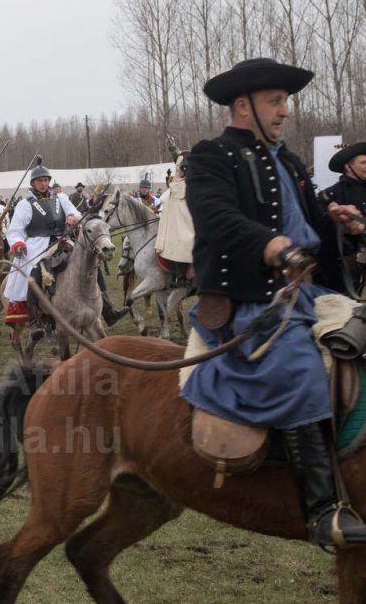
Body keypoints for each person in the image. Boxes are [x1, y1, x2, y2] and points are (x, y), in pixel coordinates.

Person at [183, 57, 366, 547]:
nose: (285, 110)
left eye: (284, 101)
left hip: (308, 293)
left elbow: (308, 224)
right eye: (275, 101)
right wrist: (271, 246)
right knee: (298, 369)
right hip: (253, 302)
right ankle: (323, 510)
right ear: (243, 106)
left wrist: (340, 221)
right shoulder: (211, 156)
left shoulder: (288, 161)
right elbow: (216, 217)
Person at [3, 164, 79, 337]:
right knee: (35, 275)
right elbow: (14, 231)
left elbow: (75, 212)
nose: (44, 184)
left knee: (87, 262)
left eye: (46, 180)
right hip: (38, 245)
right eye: (40, 181)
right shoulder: (25, 204)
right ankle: (34, 321)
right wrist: (18, 244)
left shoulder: (61, 198)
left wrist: (72, 216)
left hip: (63, 241)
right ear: (33, 183)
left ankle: (106, 306)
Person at [317, 141, 366, 294]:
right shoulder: (330, 196)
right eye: (364, 162)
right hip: (348, 273)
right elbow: (322, 234)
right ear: (348, 166)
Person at [155, 151, 194, 287]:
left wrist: (176, 176)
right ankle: (174, 274)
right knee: (170, 246)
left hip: (184, 224)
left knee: (181, 245)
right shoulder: (179, 183)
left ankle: (182, 278)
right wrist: (174, 153)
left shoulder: (185, 184)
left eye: (180, 169)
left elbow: (177, 189)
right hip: (175, 222)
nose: (177, 172)